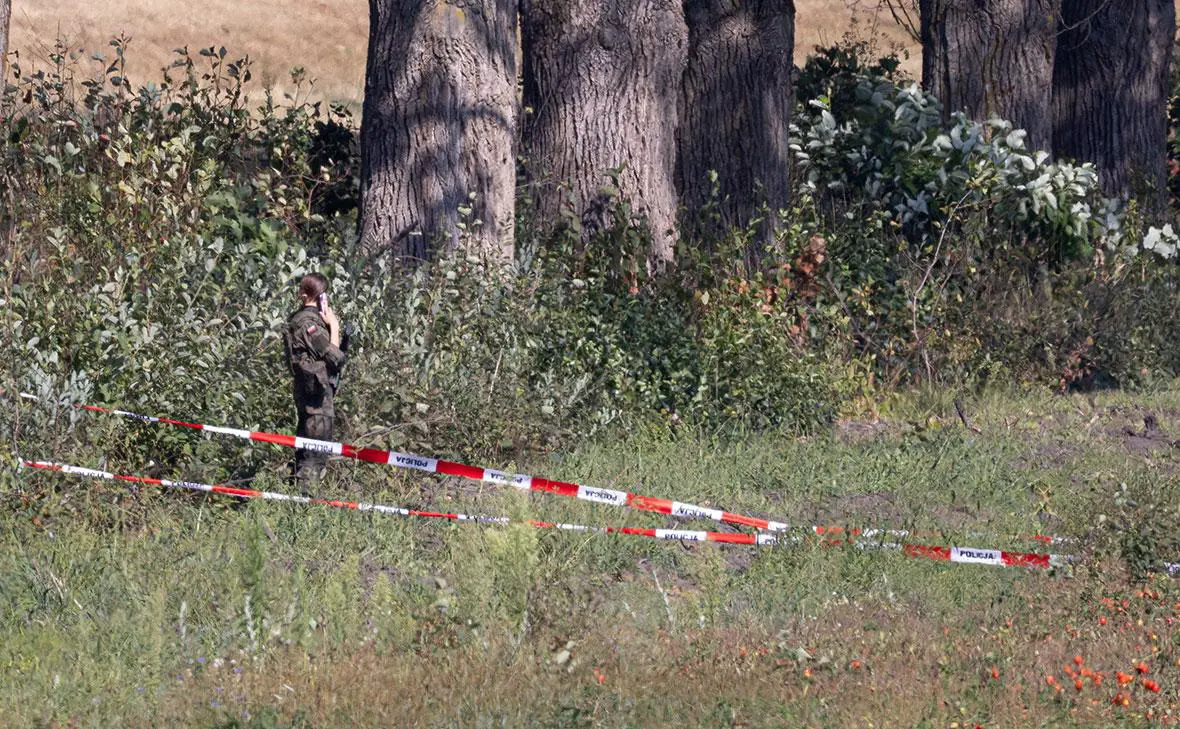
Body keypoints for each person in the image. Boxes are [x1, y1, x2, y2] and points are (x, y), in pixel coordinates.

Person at [283, 273, 347, 487]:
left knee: (305, 449)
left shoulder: (298, 318)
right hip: (316, 396)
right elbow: (335, 357)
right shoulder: (308, 323)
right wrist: (335, 327)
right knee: (315, 453)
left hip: (307, 392)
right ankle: (304, 505)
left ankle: (295, 496)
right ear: (321, 296)